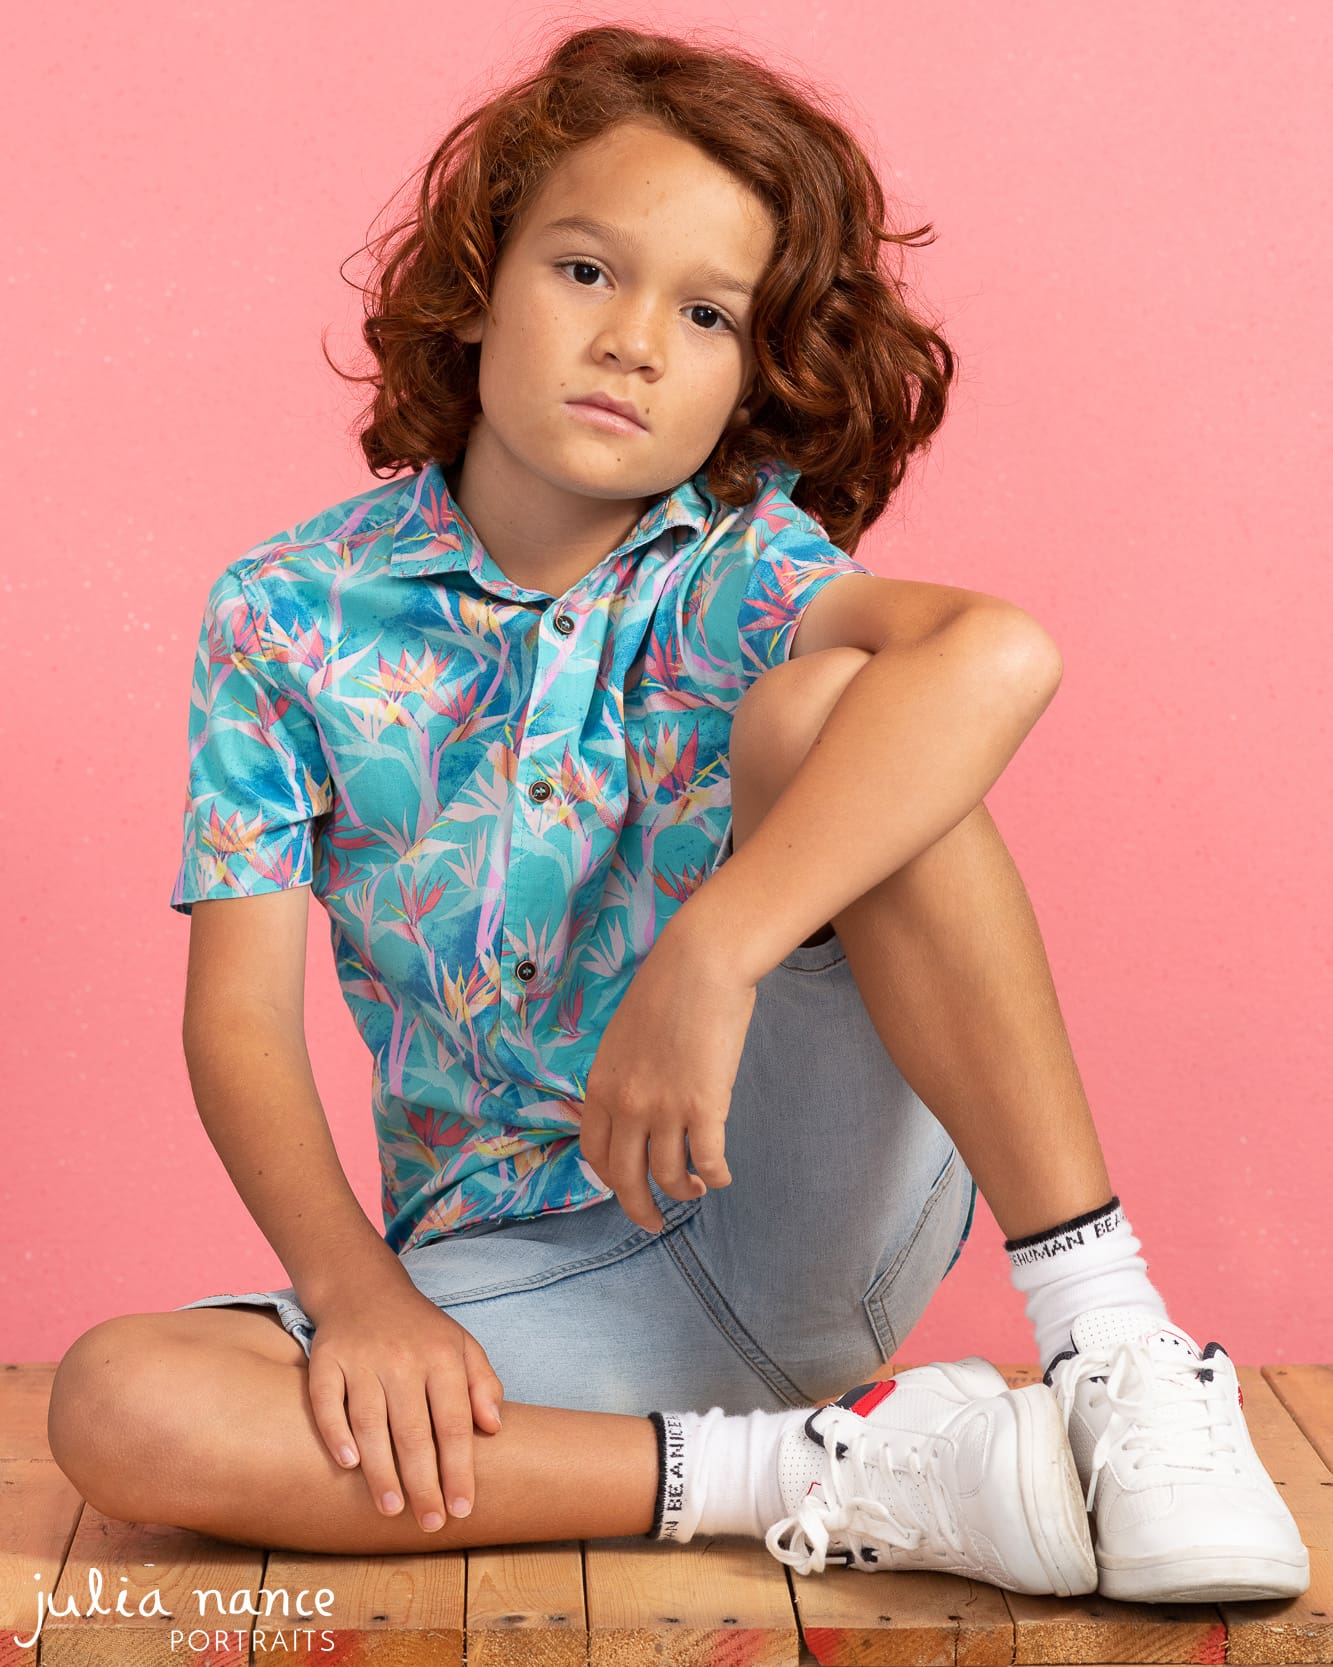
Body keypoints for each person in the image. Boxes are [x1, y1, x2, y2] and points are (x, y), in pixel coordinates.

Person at [46, 23, 1307, 1604]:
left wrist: (710, 952)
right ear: (481, 277)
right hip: (528, 1291)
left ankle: (1112, 1340)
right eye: (587, 272)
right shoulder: (286, 616)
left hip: (794, 1198)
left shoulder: (734, 572)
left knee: (836, 709)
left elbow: (997, 649)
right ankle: (843, 1469)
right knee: (121, 1402)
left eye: (704, 313)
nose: (635, 340)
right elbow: (237, 1017)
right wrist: (355, 1296)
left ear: (749, 369)